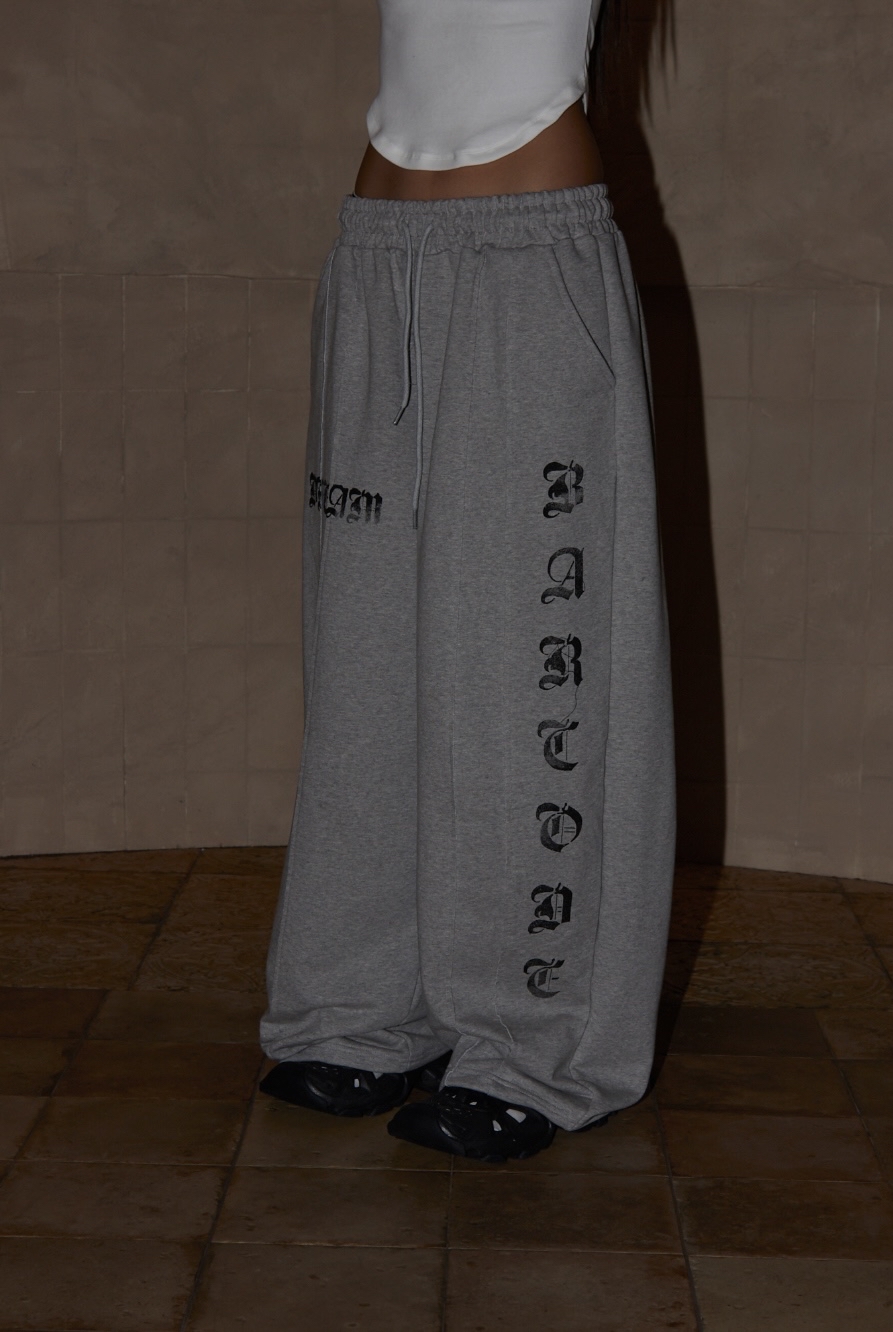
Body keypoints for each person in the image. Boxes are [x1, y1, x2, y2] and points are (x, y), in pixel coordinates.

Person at [258, 0, 675, 1163]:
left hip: (529, 266)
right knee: (366, 663)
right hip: (377, 258)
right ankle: (361, 1009)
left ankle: (536, 1045)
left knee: (525, 669)